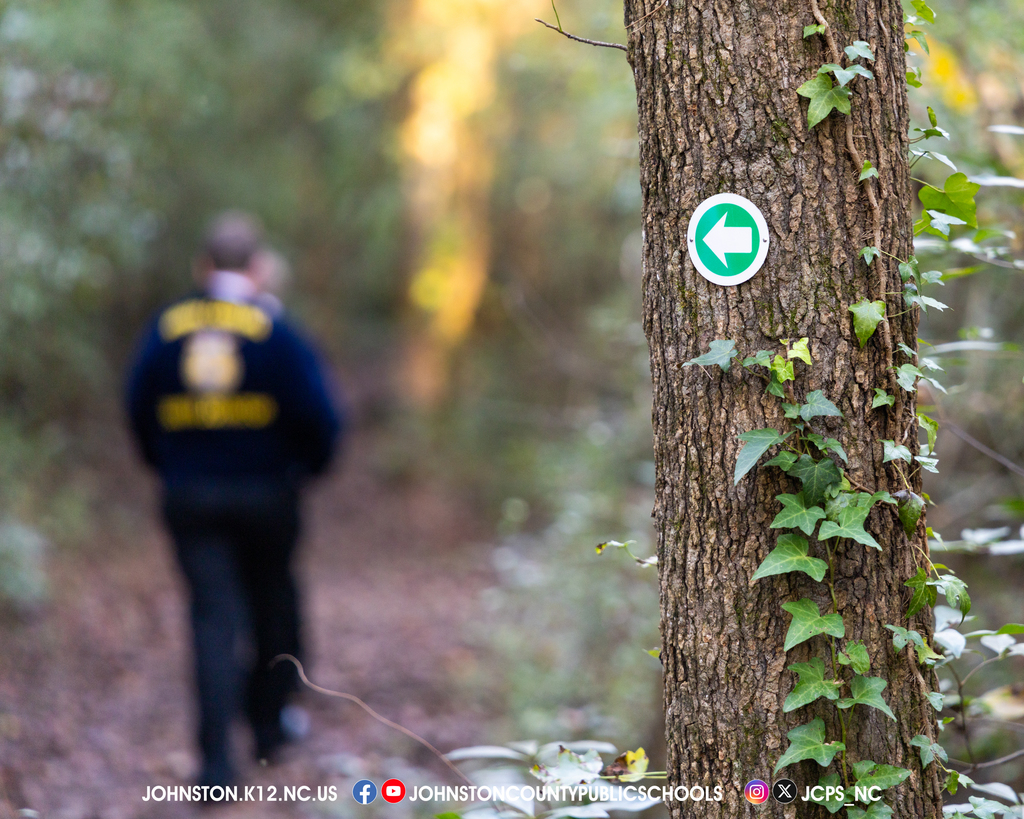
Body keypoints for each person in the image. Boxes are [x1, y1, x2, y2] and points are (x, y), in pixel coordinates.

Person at [125, 212, 343, 789]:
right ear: (256, 268)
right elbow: (320, 416)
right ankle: (269, 730)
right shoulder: (274, 328)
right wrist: (308, 470)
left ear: (203, 266)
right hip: (268, 494)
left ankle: (216, 765)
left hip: (191, 497)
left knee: (211, 621)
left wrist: (167, 464)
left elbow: (136, 404)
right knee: (272, 605)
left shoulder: (165, 327)